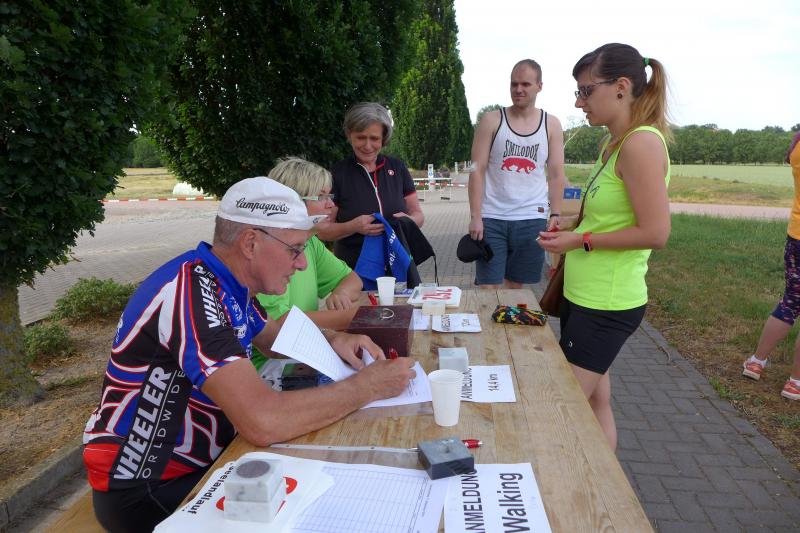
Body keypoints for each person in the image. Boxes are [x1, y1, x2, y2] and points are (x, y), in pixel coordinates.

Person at [82, 177, 416, 532]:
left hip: (205, 460)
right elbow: (263, 420)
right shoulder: (192, 294)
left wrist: (334, 338)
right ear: (251, 243)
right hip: (149, 487)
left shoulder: (223, 281)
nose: (302, 264)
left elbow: (273, 339)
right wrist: (367, 387)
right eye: (295, 249)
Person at [537, 43, 672, 449]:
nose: (579, 102)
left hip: (605, 304)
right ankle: (606, 484)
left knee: (559, 410)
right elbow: (609, 217)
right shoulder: (614, 143)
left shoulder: (640, 144)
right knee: (597, 402)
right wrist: (570, 226)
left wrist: (580, 239)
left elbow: (655, 233)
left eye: (586, 91)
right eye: (577, 92)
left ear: (621, 87)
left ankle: (579, 483)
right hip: (584, 295)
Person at [468, 59, 566, 288]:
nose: (518, 89)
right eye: (514, 84)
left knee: (515, 288)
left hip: (531, 217)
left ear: (539, 86)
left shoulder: (551, 124)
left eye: (525, 84)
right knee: (488, 287)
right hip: (492, 217)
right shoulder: (492, 120)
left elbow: (555, 174)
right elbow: (476, 170)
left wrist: (556, 213)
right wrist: (475, 216)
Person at [256, 157, 362, 330]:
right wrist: (353, 317)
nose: (331, 204)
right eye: (320, 196)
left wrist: (341, 293)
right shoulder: (267, 248)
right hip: (276, 348)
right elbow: (276, 324)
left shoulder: (310, 240)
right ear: (292, 201)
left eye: (329, 196)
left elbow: (352, 279)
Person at [319, 102, 425, 271]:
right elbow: (322, 230)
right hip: (353, 270)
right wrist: (352, 226)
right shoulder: (337, 174)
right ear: (350, 135)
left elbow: (418, 215)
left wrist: (406, 222)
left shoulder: (398, 168)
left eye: (374, 138)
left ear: (383, 138)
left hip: (398, 265)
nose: (367, 146)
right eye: (361, 137)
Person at [742, 130, 800, 401]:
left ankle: (756, 362)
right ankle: (795, 383)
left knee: (790, 301)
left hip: (797, 237)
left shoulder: (797, 144)